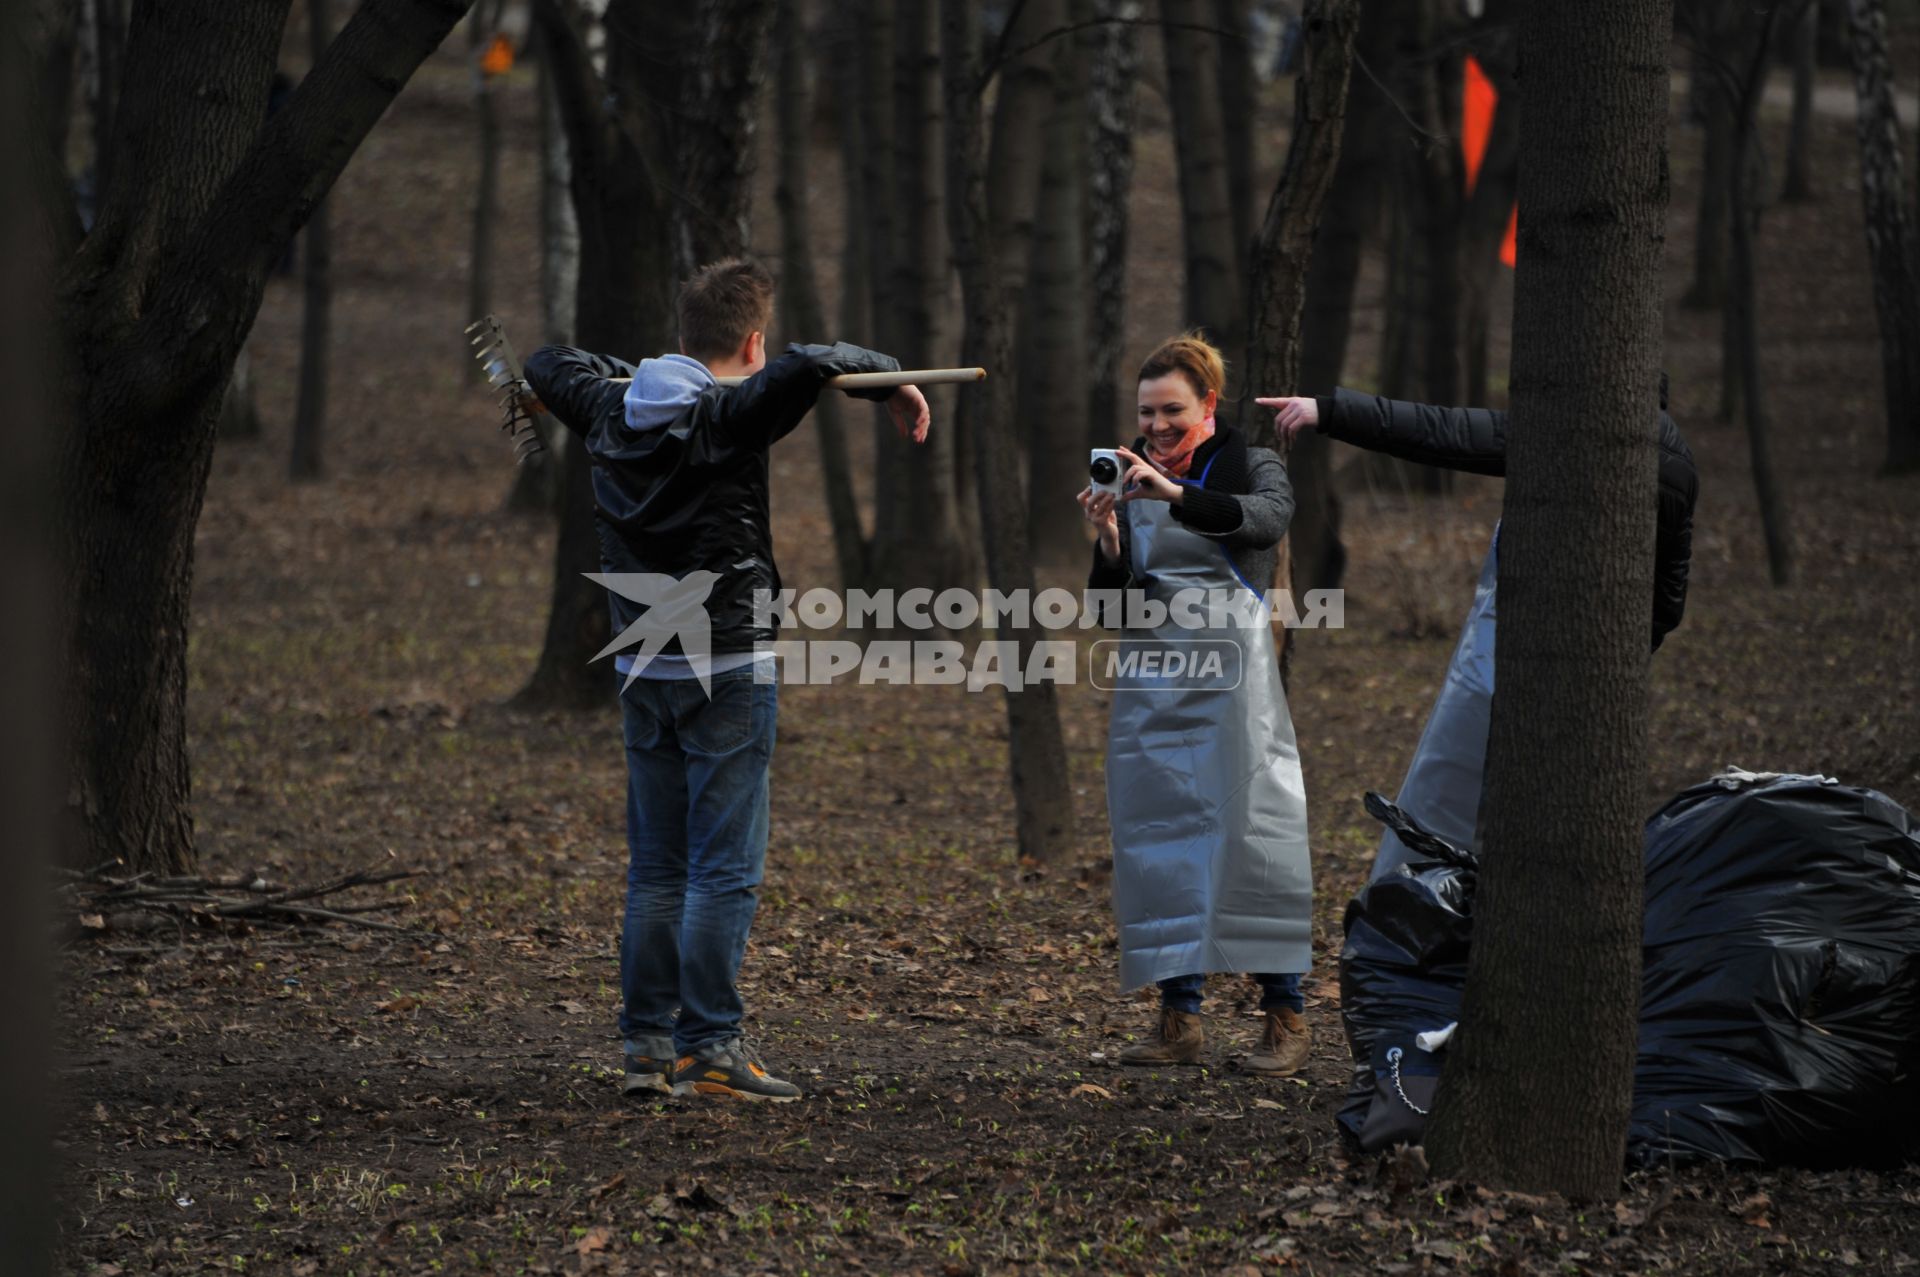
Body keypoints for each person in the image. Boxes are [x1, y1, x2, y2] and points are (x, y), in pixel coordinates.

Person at [525, 259, 930, 1102]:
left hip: (643, 664)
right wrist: (887, 381)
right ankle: (706, 1046)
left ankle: (646, 1046)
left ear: (678, 340)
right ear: (751, 340)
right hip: (727, 666)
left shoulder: (609, 405)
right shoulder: (730, 413)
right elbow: (812, 362)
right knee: (719, 871)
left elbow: (545, 361)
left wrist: (644, 372)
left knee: (657, 868)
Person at [1254, 382, 1698, 878]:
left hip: (1515, 660)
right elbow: (1669, 601)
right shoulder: (1676, 459)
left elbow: (1446, 432)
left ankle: (1420, 921)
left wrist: (1330, 412)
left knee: (1456, 803)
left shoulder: (1571, 433)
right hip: (1597, 681)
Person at [1079, 334, 1315, 1076]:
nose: (1156, 426)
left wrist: (1171, 492)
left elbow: (1265, 522)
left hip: (1234, 679)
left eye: (1172, 410)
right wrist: (1111, 538)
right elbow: (1111, 606)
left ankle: (1285, 1015)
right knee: (1160, 837)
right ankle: (1178, 1017)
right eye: (1146, 412)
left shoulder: (1247, 462)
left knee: (1255, 828)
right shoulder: (1125, 473)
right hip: (1152, 678)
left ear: (1208, 404)